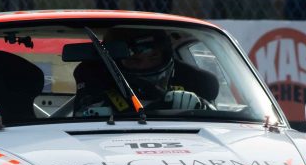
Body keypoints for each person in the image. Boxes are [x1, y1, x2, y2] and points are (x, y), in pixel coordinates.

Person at [73, 28, 218, 116]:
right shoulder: (95, 93)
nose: (145, 65)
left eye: (153, 57)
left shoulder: (192, 84)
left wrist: (200, 107)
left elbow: (218, 121)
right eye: (135, 60)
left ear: (165, 56)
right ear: (115, 62)